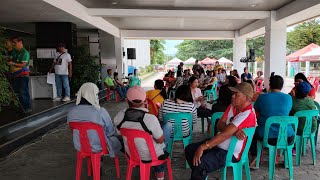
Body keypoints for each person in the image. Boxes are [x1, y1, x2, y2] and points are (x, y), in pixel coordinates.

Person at [185, 83, 256, 180]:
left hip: (230, 152)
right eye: (233, 93)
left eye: (237, 94)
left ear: (246, 97)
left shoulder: (247, 113)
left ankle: (200, 173)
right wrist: (233, 131)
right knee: (190, 150)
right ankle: (201, 174)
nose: (232, 96)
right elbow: (219, 124)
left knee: (200, 164)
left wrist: (203, 147)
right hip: (219, 145)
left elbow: (224, 135)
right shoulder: (233, 106)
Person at [114, 86, 173, 180]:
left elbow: (120, 133)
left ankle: (156, 169)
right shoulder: (150, 119)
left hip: (132, 154)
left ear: (127, 101)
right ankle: (159, 171)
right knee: (167, 128)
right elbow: (160, 140)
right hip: (152, 156)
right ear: (145, 101)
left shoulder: (119, 116)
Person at [67, 83, 122, 157]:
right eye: (96, 94)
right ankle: (136, 161)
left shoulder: (71, 112)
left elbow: (72, 131)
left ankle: (96, 163)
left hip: (80, 147)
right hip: (100, 147)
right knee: (123, 140)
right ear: (93, 95)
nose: (98, 96)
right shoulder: (101, 111)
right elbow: (110, 132)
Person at [249, 75, 293, 167]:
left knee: (252, 132)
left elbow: (256, 109)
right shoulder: (288, 98)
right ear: (282, 85)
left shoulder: (262, 97)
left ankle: (255, 156)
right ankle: (287, 160)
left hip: (267, 136)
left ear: (270, 85)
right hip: (287, 136)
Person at [6, 37, 32, 112]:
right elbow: (10, 54)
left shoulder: (25, 52)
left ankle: (27, 107)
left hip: (23, 75)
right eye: (13, 43)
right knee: (16, 91)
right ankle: (21, 107)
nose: (14, 44)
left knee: (23, 91)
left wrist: (13, 63)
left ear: (20, 42)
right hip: (15, 75)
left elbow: (23, 64)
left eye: (15, 43)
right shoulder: (15, 51)